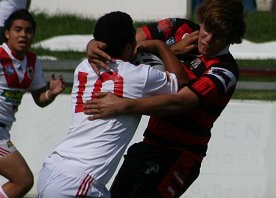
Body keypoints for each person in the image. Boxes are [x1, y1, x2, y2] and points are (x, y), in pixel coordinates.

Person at [84, 0, 246, 197]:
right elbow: (125, 41)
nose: (207, 39)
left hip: (181, 154)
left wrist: (123, 106)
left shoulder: (225, 71)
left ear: (232, 37)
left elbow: (179, 102)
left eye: (218, 36)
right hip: (148, 143)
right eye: (207, 29)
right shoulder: (179, 27)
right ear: (201, 20)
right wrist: (95, 44)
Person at [37, 11, 187, 198]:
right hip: (79, 181)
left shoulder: (82, 67)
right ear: (128, 47)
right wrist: (159, 45)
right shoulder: (140, 76)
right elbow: (180, 81)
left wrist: (92, 45)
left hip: (52, 168)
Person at [0, 9, 65, 198]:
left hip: (0, 130)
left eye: (28, 31)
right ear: (7, 33)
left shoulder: (33, 62)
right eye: (18, 30)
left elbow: (40, 99)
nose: (23, 35)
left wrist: (51, 93)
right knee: (23, 179)